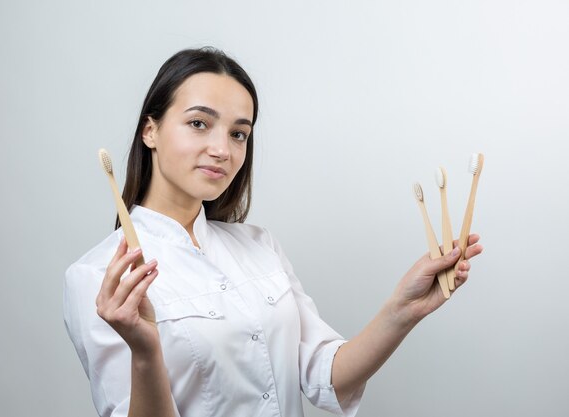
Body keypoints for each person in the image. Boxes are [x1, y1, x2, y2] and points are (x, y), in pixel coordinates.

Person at [63, 47, 483, 417]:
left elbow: (326, 375)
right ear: (149, 129)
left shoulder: (259, 246)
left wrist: (404, 309)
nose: (222, 150)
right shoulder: (99, 278)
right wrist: (145, 351)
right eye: (198, 124)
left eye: (239, 133)